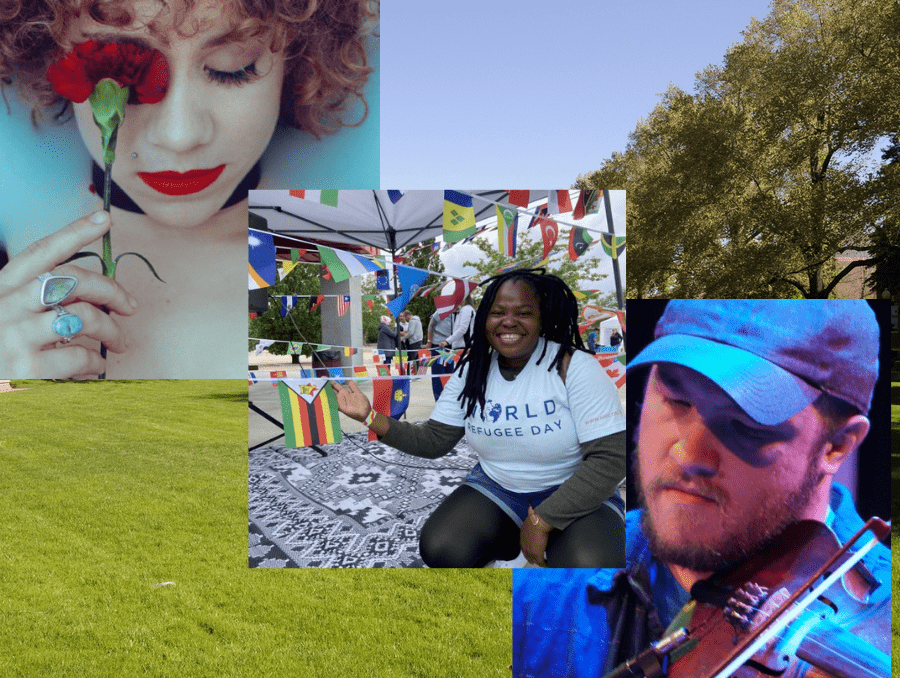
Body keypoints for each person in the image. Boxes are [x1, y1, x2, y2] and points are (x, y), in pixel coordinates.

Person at [0, 0, 378, 378]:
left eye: (232, 68)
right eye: (124, 78)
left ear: (296, 58)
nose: (179, 135)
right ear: (49, 52)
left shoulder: (342, 266)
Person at [513, 300, 890, 677]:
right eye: (676, 399)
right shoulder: (532, 594)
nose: (687, 454)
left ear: (837, 445)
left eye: (747, 425)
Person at [333, 269, 626, 568]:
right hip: (500, 488)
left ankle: (552, 544)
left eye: (523, 312)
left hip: (572, 489)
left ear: (542, 317)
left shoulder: (574, 367)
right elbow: (434, 440)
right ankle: (510, 542)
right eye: (498, 312)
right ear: (484, 318)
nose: (508, 321)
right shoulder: (471, 372)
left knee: (591, 567)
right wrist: (369, 417)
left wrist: (543, 521)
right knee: (442, 549)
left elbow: (610, 458)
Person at [426, 308, 453, 400]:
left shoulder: (458, 312)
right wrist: (429, 341)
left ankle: (448, 398)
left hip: (450, 346)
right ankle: (438, 398)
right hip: (438, 345)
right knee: (438, 373)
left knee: (449, 372)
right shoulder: (442, 310)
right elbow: (431, 325)